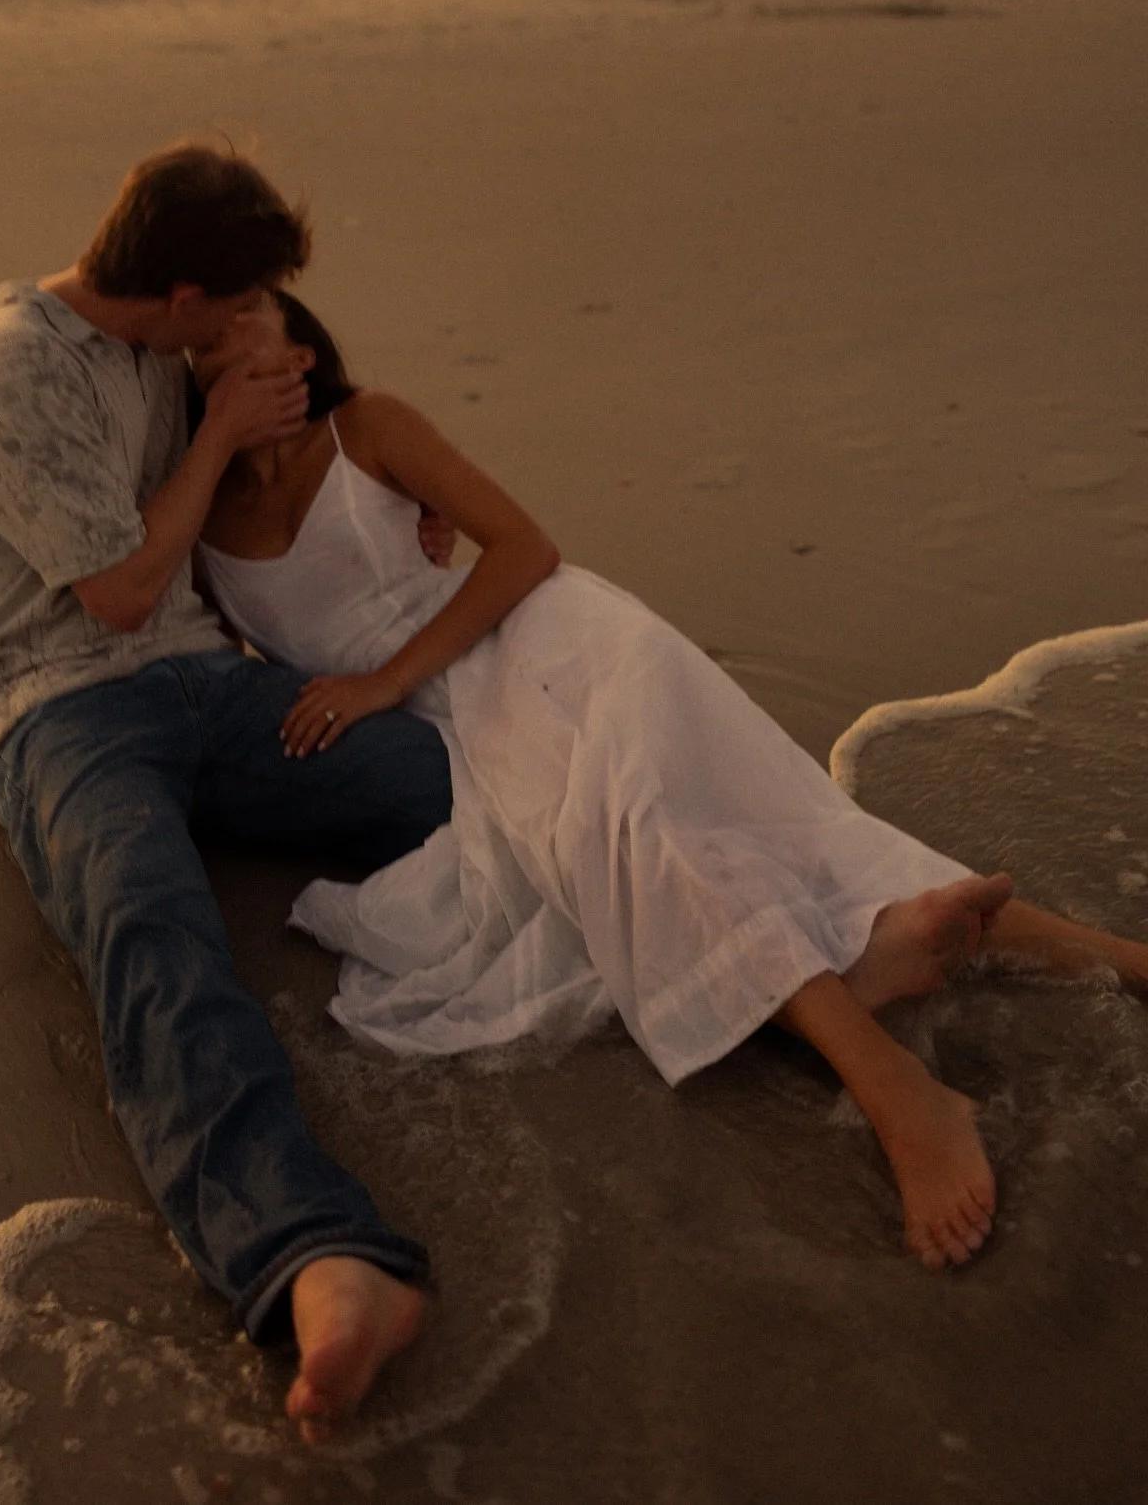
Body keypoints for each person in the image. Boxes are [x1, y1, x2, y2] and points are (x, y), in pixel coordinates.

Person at [190, 287, 1148, 1276]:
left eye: (249, 310)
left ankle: (904, 1091)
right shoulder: (204, 531)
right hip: (462, 722)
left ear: (302, 350)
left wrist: (385, 678)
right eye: (205, 327)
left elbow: (524, 548)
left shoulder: (367, 428)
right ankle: (909, 960)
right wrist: (216, 449)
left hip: (552, 637)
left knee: (661, 828)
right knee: (746, 843)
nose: (224, 326)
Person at [0, 144, 460, 1442]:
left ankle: (746, 948)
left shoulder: (171, 350)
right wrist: (218, 426)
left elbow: (304, 408)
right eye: (232, 304)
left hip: (206, 680)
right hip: (55, 705)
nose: (243, 324)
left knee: (447, 779)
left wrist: (409, 501)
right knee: (155, 934)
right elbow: (112, 589)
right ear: (176, 296)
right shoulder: (10, 369)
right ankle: (320, 1258)